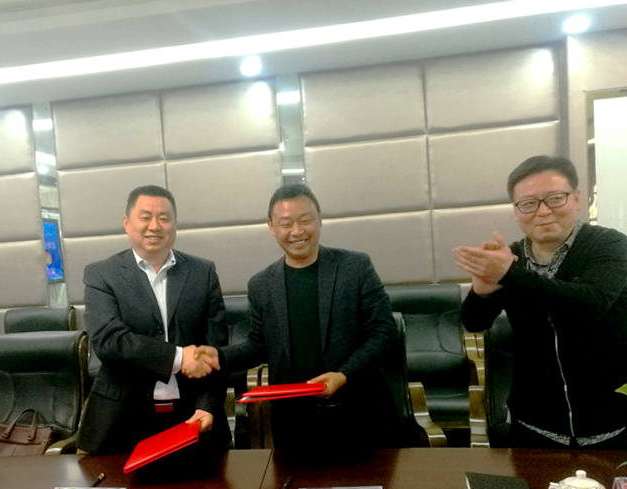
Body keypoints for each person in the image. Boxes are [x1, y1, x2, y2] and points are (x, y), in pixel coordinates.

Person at [200, 184, 408, 456]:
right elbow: (258, 345)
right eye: (286, 224)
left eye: (305, 220)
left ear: (320, 218)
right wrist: (218, 357)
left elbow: (384, 332)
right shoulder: (261, 284)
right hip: (295, 422)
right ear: (271, 227)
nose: (297, 231)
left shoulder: (355, 268)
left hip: (362, 415)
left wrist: (343, 375)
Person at [453, 155, 627, 448]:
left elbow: (589, 303)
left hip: (612, 425)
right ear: (516, 211)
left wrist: (510, 275)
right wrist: (482, 290)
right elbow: (474, 322)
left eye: (555, 198)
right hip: (534, 425)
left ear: (576, 198)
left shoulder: (609, 245)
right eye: (529, 203)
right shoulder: (510, 258)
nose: (543, 211)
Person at [76, 185, 231, 455]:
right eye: (145, 217)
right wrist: (179, 358)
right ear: (127, 223)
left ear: (175, 223)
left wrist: (207, 405)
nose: (155, 226)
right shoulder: (101, 274)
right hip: (120, 420)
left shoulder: (202, 272)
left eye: (164, 218)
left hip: (193, 417)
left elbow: (215, 348)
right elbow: (109, 341)